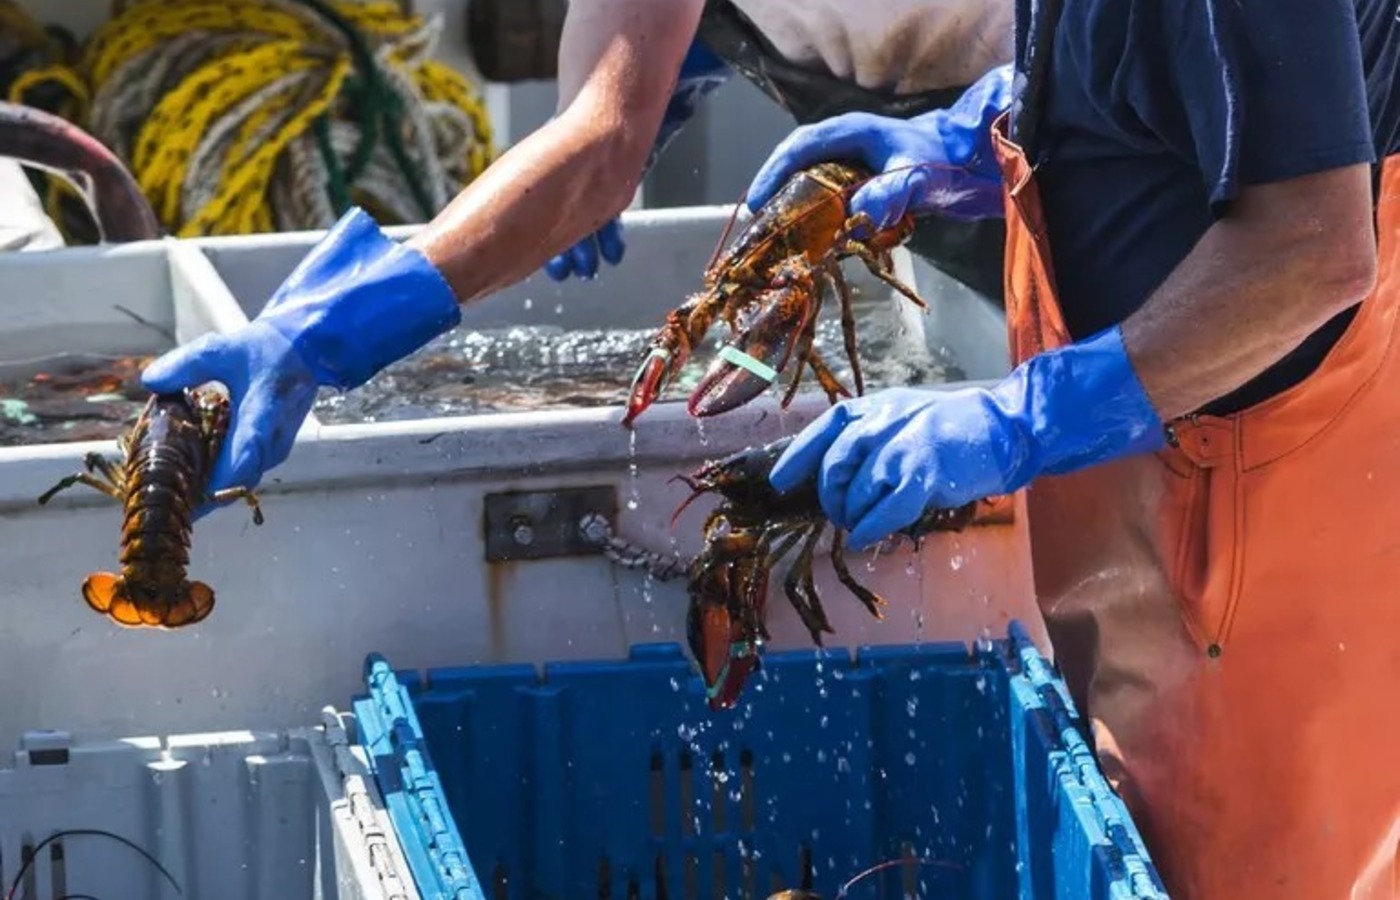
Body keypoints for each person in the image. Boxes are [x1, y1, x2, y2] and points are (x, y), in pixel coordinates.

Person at [744, 0, 1400, 897]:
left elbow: (1313, 250)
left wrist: (1024, 418)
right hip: (1147, 531)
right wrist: (972, 133)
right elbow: (1152, 62)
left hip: (1264, 556)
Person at [139, 0, 1013, 500]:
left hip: (1079, 144)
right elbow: (594, 132)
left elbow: (594, 157)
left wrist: (333, 334)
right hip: (909, 198)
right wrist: (670, 73)